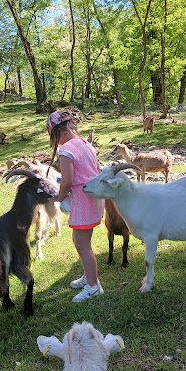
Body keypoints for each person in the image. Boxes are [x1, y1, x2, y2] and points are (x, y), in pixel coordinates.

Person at [47, 110, 105, 303]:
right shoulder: (85, 143)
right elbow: (94, 170)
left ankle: (93, 287)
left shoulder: (66, 150)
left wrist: (59, 197)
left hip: (82, 202)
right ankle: (89, 276)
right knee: (80, 242)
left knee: (83, 246)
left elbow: (67, 182)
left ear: (56, 132)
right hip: (94, 198)